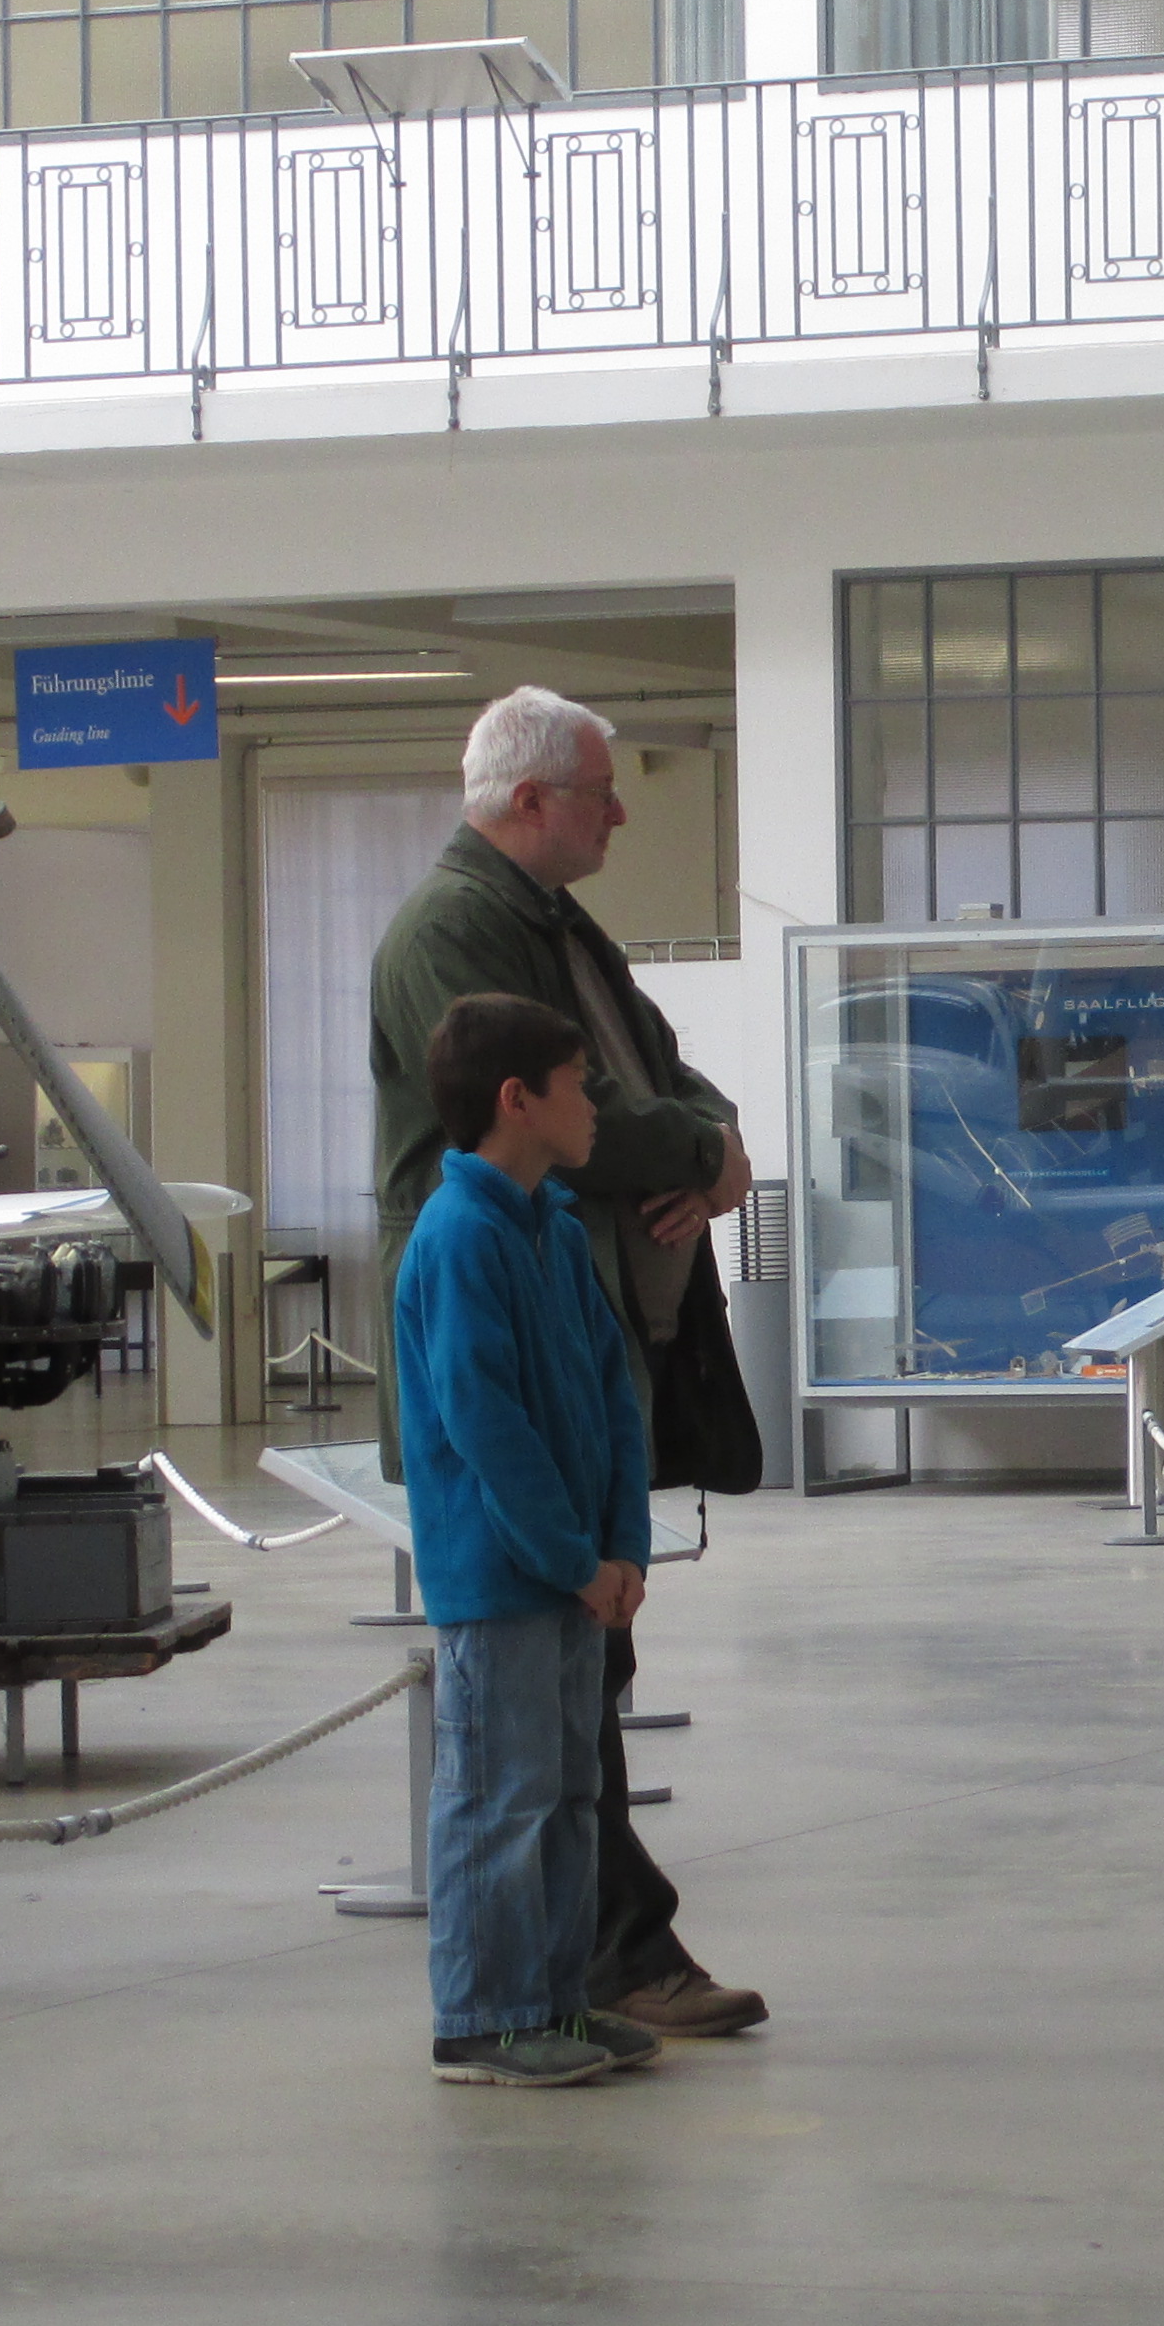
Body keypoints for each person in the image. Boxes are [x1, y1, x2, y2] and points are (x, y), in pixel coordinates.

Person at [368, 686, 765, 2041]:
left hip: (584, 1344)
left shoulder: (555, 925)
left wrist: (712, 1147)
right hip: (521, 1437)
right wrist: (700, 1153)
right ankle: (545, 1991)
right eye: (601, 789)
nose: (621, 811)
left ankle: (580, 1976)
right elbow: (594, 1111)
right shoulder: (455, 933)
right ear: (530, 798)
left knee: (577, 1725)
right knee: (520, 1761)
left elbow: (661, 1074)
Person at [391, 993, 661, 2088]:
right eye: (577, 1084)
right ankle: (483, 2018)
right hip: (505, 1581)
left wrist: (626, 1546)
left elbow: (612, 1395)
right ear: (517, 1100)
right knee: (500, 1800)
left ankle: (554, 2001)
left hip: (577, 1576)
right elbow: (485, 1423)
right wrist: (572, 1560)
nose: (593, 1104)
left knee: (568, 1797)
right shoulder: (460, 1237)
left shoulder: (553, 1229)